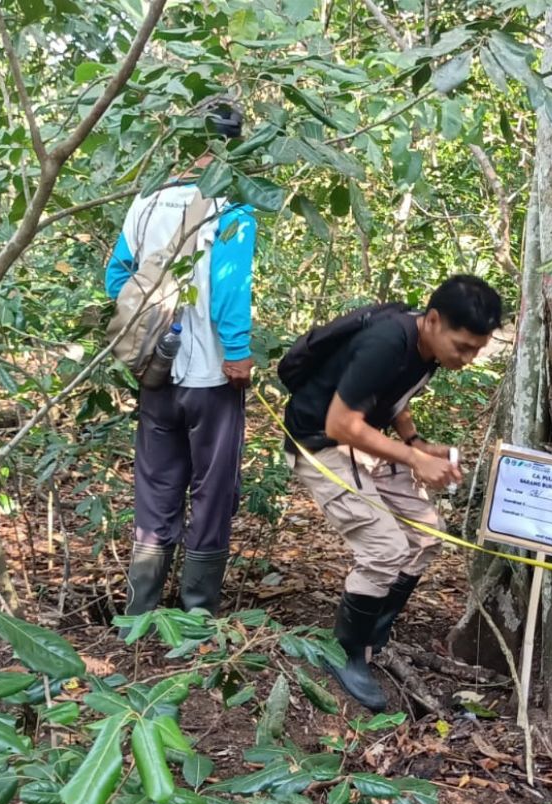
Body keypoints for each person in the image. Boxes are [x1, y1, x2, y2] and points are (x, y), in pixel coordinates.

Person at [282, 274, 502, 711]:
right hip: (321, 444)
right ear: (434, 320)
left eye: (477, 350)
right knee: (384, 549)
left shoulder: (426, 348)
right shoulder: (387, 341)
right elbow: (340, 424)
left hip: (361, 441)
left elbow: (395, 396)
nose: (469, 358)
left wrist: (415, 441)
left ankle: (374, 629)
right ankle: (344, 655)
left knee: (424, 534)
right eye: (463, 347)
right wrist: (413, 459)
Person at [106, 102, 257, 619]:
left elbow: (116, 282)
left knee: (156, 486)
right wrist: (237, 353)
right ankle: (196, 614)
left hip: (154, 371)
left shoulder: (145, 203)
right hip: (210, 375)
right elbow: (228, 291)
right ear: (231, 145)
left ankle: (141, 612)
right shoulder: (232, 206)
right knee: (212, 490)